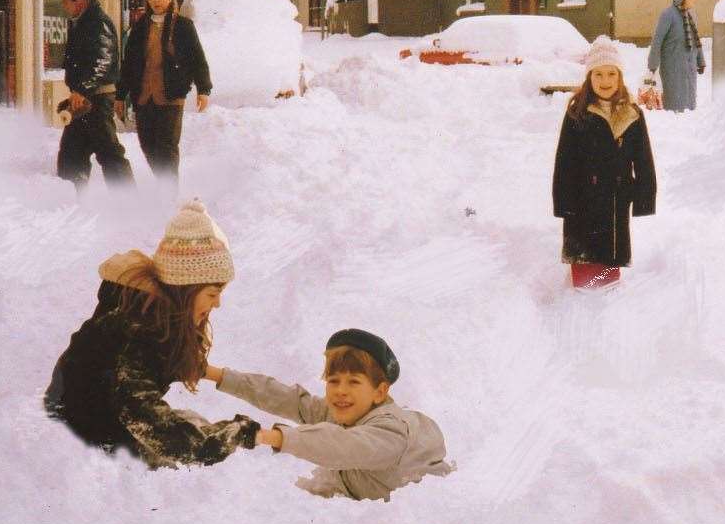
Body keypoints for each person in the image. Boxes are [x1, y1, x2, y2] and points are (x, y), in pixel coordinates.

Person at [45, 199, 260, 467]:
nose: (217, 304)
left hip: (91, 424)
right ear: (187, 290)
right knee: (182, 458)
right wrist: (235, 434)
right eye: (212, 294)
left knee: (190, 424)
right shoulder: (140, 332)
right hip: (78, 444)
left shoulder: (151, 313)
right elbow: (159, 429)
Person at [205, 328, 452, 501]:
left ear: (380, 392)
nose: (340, 392)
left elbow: (341, 445)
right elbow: (290, 400)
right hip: (358, 489)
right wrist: (212, 373)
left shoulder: (390, 433)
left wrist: (265, 436)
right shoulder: (345, 412)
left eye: (354, 382)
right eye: (333, 381)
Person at [553, 37, 658, 289]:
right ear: (589, 77)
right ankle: (583, 284)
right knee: (585, 255)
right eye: (598, 74)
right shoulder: (578, 112)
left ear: (619, 76)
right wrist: (563, 203)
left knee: (609, 262)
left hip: (616, 198)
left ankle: (605, 285)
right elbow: (564, 162)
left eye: (611, 73)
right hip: (582, 199)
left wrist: (644, 197)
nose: (605, 81)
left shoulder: (631, 113)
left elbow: (643, 159)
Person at [118, 0, 212, 178]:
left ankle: (169, 192)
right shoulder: (140, 27)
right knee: (148, 144)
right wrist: (120, 95)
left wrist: (204, 89)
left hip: (170, 94)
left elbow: (197, 58)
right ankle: (162, 183)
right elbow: (129, 64)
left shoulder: (183, 26)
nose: (155, 0)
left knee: (167, 145)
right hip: (144, 96)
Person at [55, 0, 133, 187]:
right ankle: (72, 198)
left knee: (108, 151)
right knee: (72, 152)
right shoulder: (82, 22)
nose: (64, 6)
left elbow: (103, 61)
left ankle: (128, 202)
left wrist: (81, 90)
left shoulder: (97, 22)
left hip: (96, 99)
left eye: (66, 1)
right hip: (85, 98)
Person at [644, 0, 704, 112]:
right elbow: (657, 41)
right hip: (673, 68)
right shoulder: (668, 15)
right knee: (674, 105)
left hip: (689, 68)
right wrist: (652, 65)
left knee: (689, 105)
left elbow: (696, 41)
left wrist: (701, 61)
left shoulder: (692, 15)